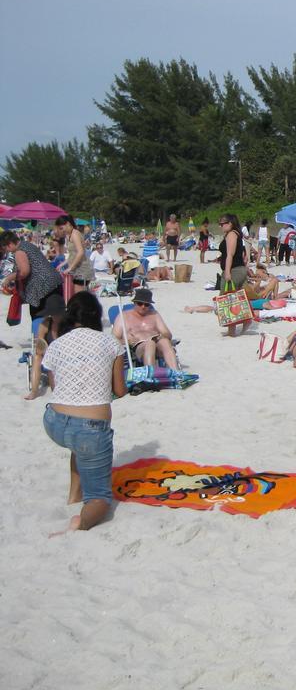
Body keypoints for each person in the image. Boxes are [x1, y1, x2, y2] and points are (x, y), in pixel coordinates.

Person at [42, 292, 128, 535]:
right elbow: (120, 390)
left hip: (54, 422)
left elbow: (55, 387)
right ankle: (79, 522)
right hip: (90, 428)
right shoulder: (111, 344)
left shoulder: (57, 344)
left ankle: (73, 496)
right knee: (100, 499)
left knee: (77, 446)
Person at [1, 229, 64, 326]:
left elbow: (24, 271)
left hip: (41, 289)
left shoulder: (19, 251)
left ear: (9, 244)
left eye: (5, 248)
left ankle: (40, 339)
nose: (7, 251)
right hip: (55, 282)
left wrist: (9, 278)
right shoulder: (27, 245)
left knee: (39, 319)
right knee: (56, 319)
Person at [111, 288, 179, 370]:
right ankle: (151, 374)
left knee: (165, 342)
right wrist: (126, 341)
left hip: (157, 345)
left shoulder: (154, 314)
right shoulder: (124, 316)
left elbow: (167, 334)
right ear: (134, 303)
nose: (143, 307)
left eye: (146, 304)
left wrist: (162, 336)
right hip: (139, 347)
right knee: (150, 344)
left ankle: (176, 374)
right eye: (140, 303)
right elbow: (113, 339)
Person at [216, 213, 250, 337]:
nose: (220, 226)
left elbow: (230, 254)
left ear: (230, 223)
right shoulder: (236, 234)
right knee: (235, 299)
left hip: (234, 270)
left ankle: (232, 332)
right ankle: (246, 320)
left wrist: (227, 271)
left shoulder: (231, 234)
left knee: (227, 300)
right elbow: (239, 254)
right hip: (239, 269)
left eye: (222, 224)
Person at [54, 215, 95, 292]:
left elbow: (80, 252)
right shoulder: (69, 235)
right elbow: (73, 254)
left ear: (68, 224)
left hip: (82, 270)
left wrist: (70, 268)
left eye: (62, 228)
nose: (62, 231)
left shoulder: (75, 234)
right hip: (76, 269)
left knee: (79, 296)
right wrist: (62, 264)